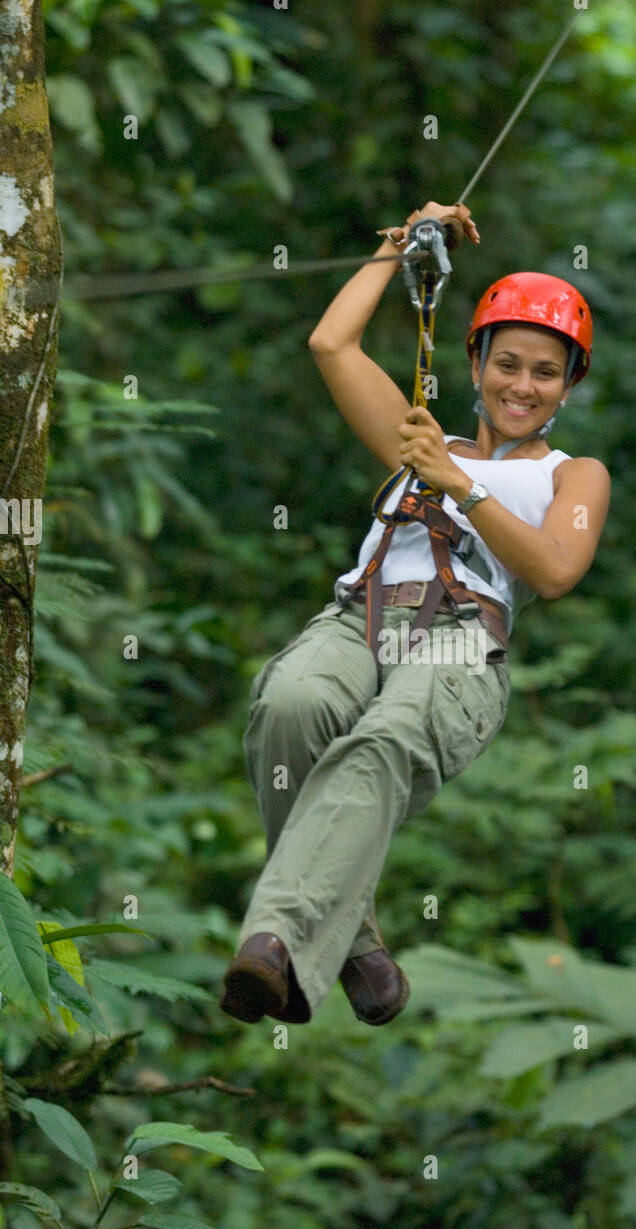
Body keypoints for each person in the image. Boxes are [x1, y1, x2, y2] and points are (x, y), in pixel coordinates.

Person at [219, 200, 610, 1028]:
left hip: (460, 637)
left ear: (569, 385)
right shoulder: (418, 440)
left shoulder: (573, 474)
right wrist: (398, 248)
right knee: (289, 704)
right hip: (359, 617)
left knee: (383, 741)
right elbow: (331, 345)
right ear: (475, 362)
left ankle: (276, 940)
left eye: (545, 372)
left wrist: (458, 483)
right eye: (507, 364)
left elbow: (554, 569)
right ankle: (354, 940)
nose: (522, 386)